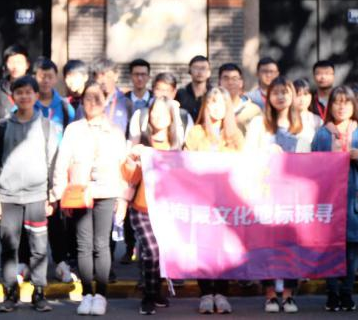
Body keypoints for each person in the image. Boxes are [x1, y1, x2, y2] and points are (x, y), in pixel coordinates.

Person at [51, 80, 135, 316]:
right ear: (82, 100)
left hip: (107, 192)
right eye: (88, 97)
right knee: (83, 245)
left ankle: (101, 295)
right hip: (80, 193)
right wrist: (60, 193)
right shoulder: (73, 129)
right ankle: (87, 293)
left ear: (106, 101)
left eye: (98, 98)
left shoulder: (114, 131)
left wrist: (123, 199)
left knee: (102, 244)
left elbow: (123, 168)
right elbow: (61, 163)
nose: (93, 102)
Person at [0, 76, 61, 313]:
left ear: (36, 95)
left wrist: (53, 196)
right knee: (9, 247)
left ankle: (39, 293)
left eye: (29, 92)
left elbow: (54, 163)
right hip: (8, 197)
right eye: (19, 92)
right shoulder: (1, 127)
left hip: (38, 197)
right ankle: (11, 293)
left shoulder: (47, 126)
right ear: (13, 97)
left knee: (39, 248)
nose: (24, 96)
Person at [245, 77, 310, 313]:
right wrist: (266, 153)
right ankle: (270, 294)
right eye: (276, 92)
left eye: (285, 92)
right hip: (265, 193)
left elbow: (310, 160)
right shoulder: (258, 124)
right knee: (267, 246)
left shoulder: (303, 124)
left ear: (292, 96)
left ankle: (290, 295)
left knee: (291, 245)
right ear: (268, 96)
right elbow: (248, 156)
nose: (281, 97)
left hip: (292, 194)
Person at [310, 86, 358, 312]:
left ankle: (347, 292)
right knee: (330, 246)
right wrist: (329, 158)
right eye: (337, 102)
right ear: (330, 106)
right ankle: (332, 292)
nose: (341, 107)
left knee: (352, 247)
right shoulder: (322, 134)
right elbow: (313, 166)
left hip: (354, 198)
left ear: (353, 106)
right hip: (329, 198)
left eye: (346, 102)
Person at [184, 87, 245, 314]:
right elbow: (185, 162)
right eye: (211, 102)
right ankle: (205, 293)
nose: (215, 107)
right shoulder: (196, 132)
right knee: (203, 248)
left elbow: (244, 165)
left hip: (227, 202)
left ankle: (221, 292)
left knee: (224, 248)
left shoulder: (236, 134)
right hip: (201, 200)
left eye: (220, 103)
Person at [17, 57, 76, 284]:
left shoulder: (65, 107)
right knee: (27, 218)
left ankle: (61, 261)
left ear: (55, 78)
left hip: (57, 169)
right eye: (41, 76)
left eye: (50, 76)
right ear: (34, 77)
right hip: (29, 170)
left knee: (56, 219)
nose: (45, 81)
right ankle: (23, 262)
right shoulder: (24, 105)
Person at [122, 97, 180, 315]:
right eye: (154, 112)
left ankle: (156, 292)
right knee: (152, 250)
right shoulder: (142, 144)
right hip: (142, 208)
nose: (158, 117)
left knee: (161, 252)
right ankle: (148, 295)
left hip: (167, 210)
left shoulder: (176, 147)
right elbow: (129, 176)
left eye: (164, 113)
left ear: (171, 118)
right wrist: (131, 159)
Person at [129, 72, 194, 145]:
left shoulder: (185, 116)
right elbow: (132, 144)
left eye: (167, 90)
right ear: (153, 90)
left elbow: (187, 146)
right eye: (159, 89)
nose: (163, 94)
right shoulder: (141, 115)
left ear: (174, 92)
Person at [78, 59, 133, 134]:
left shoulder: (126, 103)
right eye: (101, 77)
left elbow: (133, 132)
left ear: (116, 76)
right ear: (95, 78)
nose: (105, 81)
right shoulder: (86, 103)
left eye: (108, 77)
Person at [0, 44, 30, 122]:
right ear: (6, 64)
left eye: (19, 62)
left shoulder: (36, 89)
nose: (15, 66)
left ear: (27, 64)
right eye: (11, 62)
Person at [218, 63, 261, 134]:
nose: (230, 82)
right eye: (226, 78)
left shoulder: (253, 110)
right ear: (219, 82)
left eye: (234, 78)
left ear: (241, 83)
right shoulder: (213, 109)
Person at [176, 55, 211, 121]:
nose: (199, 72)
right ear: (190, 70)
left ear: (209, 72)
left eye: (203, 68)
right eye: (196, 68)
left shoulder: (214, 95)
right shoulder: (180, 94)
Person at [293, 78, 322, 143]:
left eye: (305, 94)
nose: (302, 99)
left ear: (310, 97)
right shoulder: (286, 119)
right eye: (298, 95)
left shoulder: (317, 120)